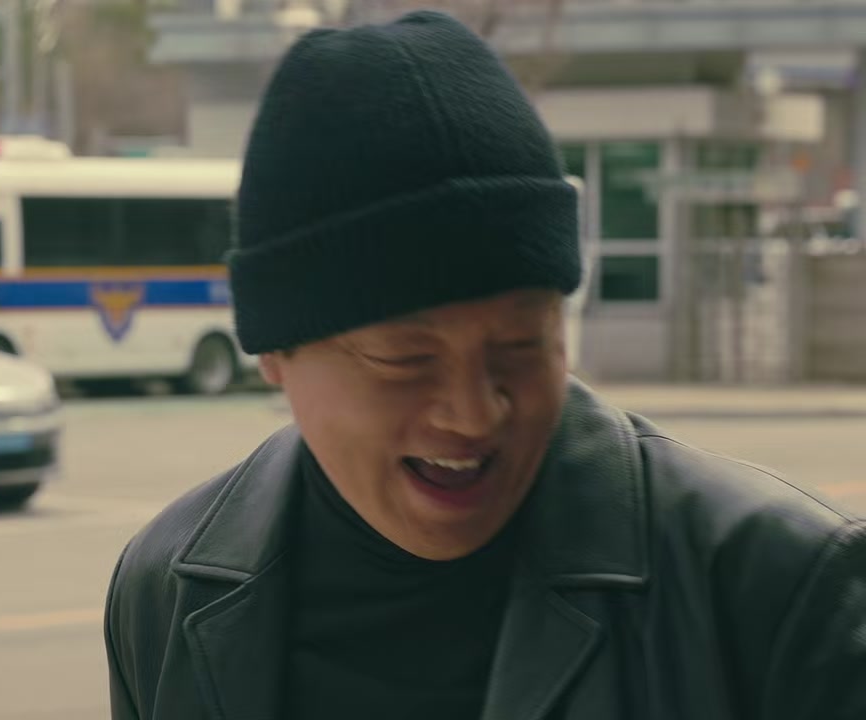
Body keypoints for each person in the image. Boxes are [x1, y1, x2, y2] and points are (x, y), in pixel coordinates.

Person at [103, 11, 866, 720]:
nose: (473, 411)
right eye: (406, 358)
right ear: (275, 351)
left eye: (521, 344)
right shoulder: (166, 591)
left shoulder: (780, 589)